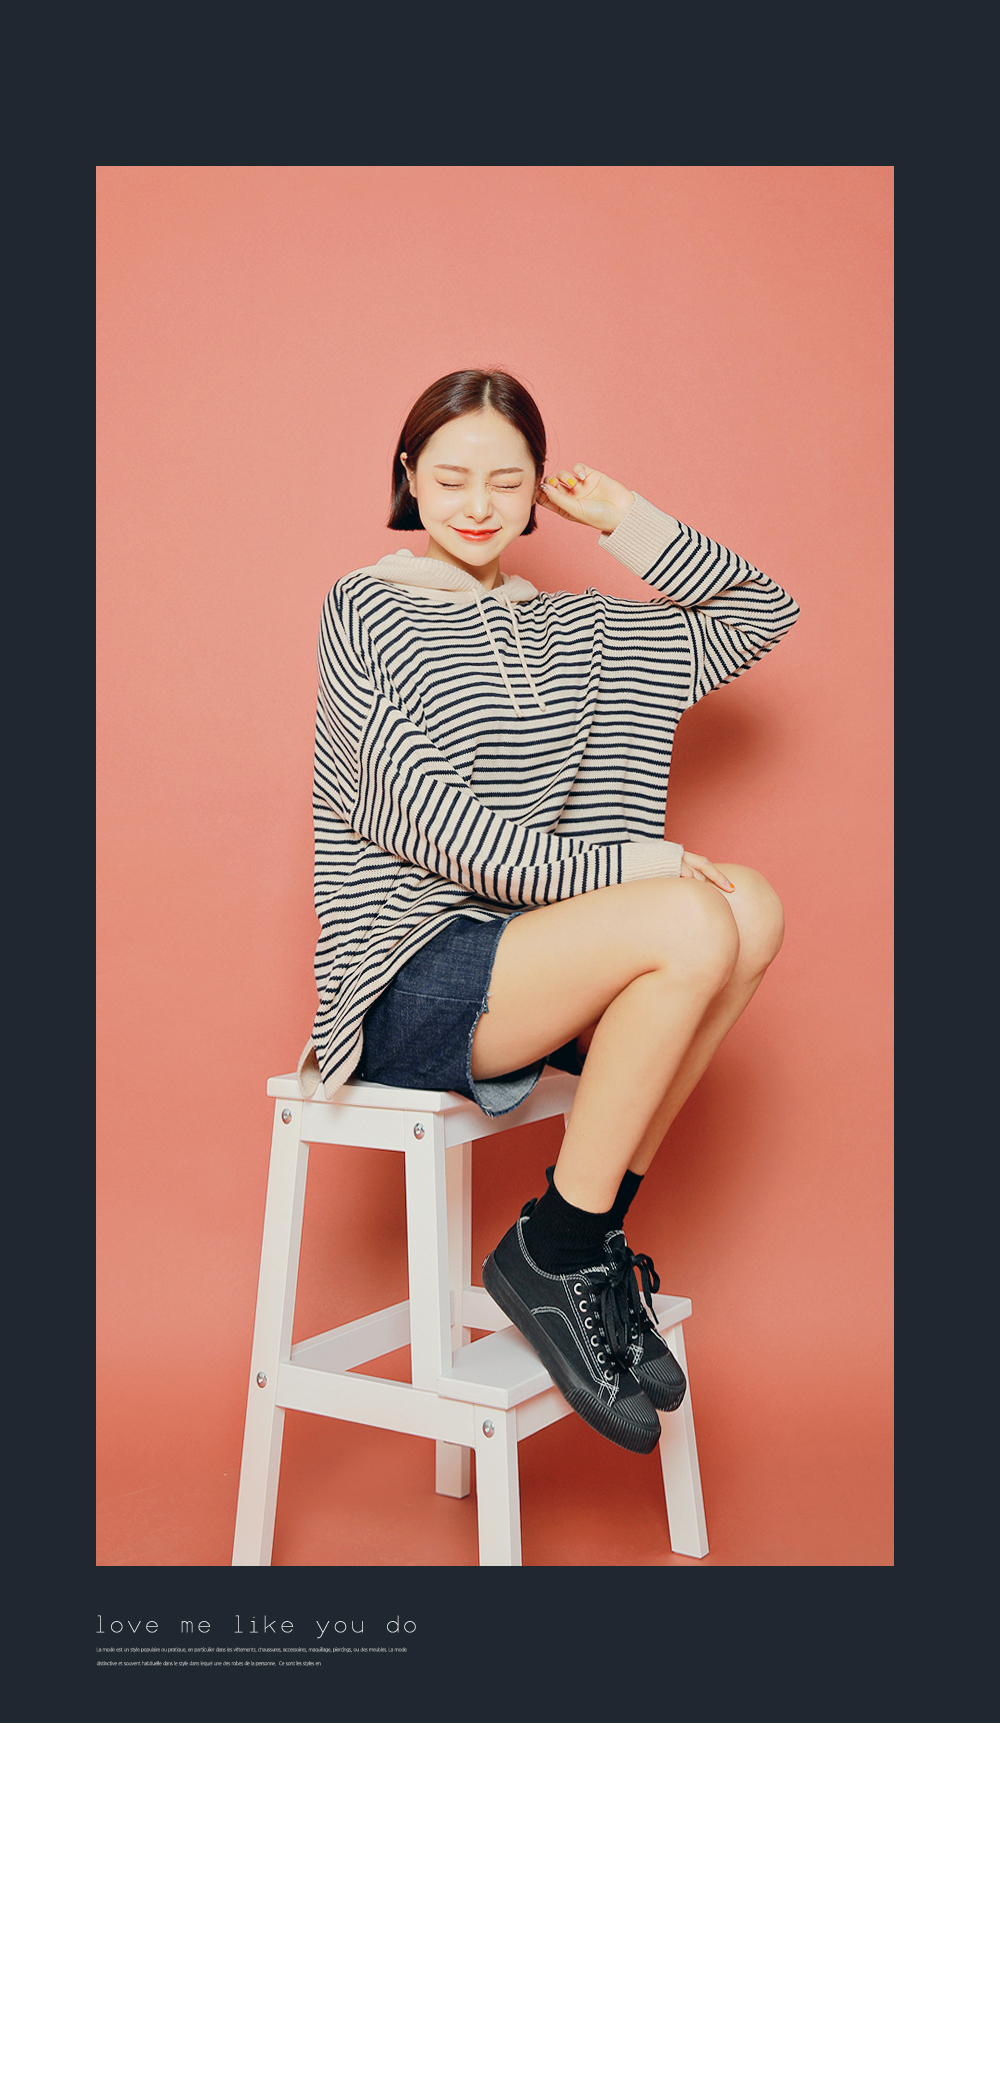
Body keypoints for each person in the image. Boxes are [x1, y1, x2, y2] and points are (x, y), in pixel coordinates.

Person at [297, 369, 799, 1459]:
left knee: (749, 906)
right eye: (450, 477)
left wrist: (627, 520)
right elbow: (435, 830)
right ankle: (559, 1250)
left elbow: (762, 612)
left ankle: (576, 1236)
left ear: (537, 490)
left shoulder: (576, 628)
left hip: (535, 964)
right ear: (408, 478)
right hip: (410, 975)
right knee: (688, 915)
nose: (477, 503)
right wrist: (633, 867)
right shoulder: (366, 609)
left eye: (506, 479)